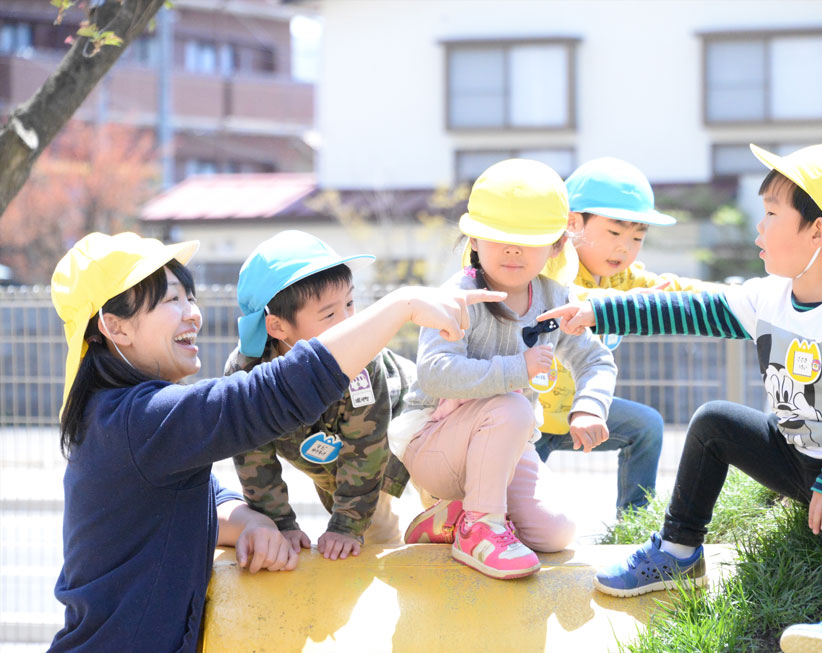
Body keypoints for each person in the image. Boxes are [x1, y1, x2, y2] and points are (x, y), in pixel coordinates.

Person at [538, 144, 822, 653]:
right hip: (799, 452)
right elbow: (690, 311)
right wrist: (599, 311)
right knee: (713, 421)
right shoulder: (771, 295)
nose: (758, 228)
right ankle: (678, 551)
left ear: (818, 232)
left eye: (771, 215)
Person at [48, 231, 500, 651]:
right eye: (171, 300)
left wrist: (252, 522)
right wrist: (400, 306)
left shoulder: (117, 418)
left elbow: (205, 497)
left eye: (190, 296)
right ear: (116, 327)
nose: (193, 313)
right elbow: (269, 397)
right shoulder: (138, 420)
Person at [390, 159, 618, 579]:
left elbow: (595, 359)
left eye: (529, 240)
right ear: (475, 240)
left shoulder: (554, 298)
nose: (513, 250)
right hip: (436, 443)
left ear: (556, 246)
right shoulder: (457, 297)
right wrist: (518, 368)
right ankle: (479, 528)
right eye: (499, 238)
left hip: (504, 445)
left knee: (556, 531)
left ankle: (453, 518)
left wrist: (589, 406)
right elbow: (435, 372)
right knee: (513, 406)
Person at [229, 230, 416, 561]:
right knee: (352, 527)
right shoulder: (247, 374)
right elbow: (253, 458)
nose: (347, 322)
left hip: (409, 421)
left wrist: (346, 525)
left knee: (378, 531)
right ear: (278, 327)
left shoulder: (361, 359)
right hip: (327, 454)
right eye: (329, 315)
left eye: (349, 304)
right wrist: (279, 524)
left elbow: (366, 451)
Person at [537, 157, 703, 512]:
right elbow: (569, 298)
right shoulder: (549, 265)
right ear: (572, 223)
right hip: (526, 419)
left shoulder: (623, 278)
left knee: (646, 425)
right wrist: (626, 302)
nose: (624, 247)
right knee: (515, 519)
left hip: (581, 412)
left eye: (637, 237)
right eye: (614, 233)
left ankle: (633, 524)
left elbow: (677, 288)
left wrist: (751, 298)